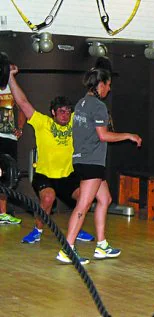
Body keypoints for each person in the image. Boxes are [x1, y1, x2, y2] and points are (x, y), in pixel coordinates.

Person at [56, 67, 141, 265]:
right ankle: (67, 249)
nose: (109, 89)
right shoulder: (98, 106)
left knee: (105, 198)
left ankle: (101, 245)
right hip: (91, 162)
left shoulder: (81, 103)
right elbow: (103, 136)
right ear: (100, 84)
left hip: (82, 159)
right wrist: (129, 135)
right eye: (108, 85)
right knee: (83, 205)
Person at [7, 67, 95, 243]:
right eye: (61, 111)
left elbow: (90, 97)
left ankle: (75, 230)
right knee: (48, 198)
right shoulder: (42, 123)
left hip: (67, 176)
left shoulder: (74, 123)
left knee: (85, 198)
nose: (66, 114)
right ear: (53, 112)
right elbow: (23, 102)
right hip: (44, 174)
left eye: (68, 111)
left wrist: (96, 74)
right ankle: (37, 231)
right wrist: (10, 77)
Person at [0, 79, 25, 224]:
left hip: (9, 137)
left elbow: (22, 108)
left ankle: (2, 213)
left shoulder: (12, 88)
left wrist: (20, 128)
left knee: (6, 175)